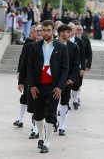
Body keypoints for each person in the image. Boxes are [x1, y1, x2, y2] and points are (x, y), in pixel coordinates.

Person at [27, 20, 69, 153]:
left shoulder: (62, 47)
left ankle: (47, 142)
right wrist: (32, 85)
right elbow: (29, 67)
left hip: (53, 86)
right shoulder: (34, 47)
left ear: (53, 31)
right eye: (43, 30)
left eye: (48, 30)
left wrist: (60, 87)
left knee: (50, 114)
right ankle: (41, 135)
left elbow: (65, 69)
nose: (45, 33)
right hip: (38, 86)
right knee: (38, 114)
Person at [56, 24, 80, 136]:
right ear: (61, 33)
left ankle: (62, 126)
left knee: (64, 101)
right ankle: (53, 122)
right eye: (67, 32)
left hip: (67, 80)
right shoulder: (53, 44)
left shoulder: (73, 47)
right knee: (52, 102)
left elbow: (76, 64)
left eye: (70, 32)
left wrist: (72, 78)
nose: (70, 34)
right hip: (53, 79)